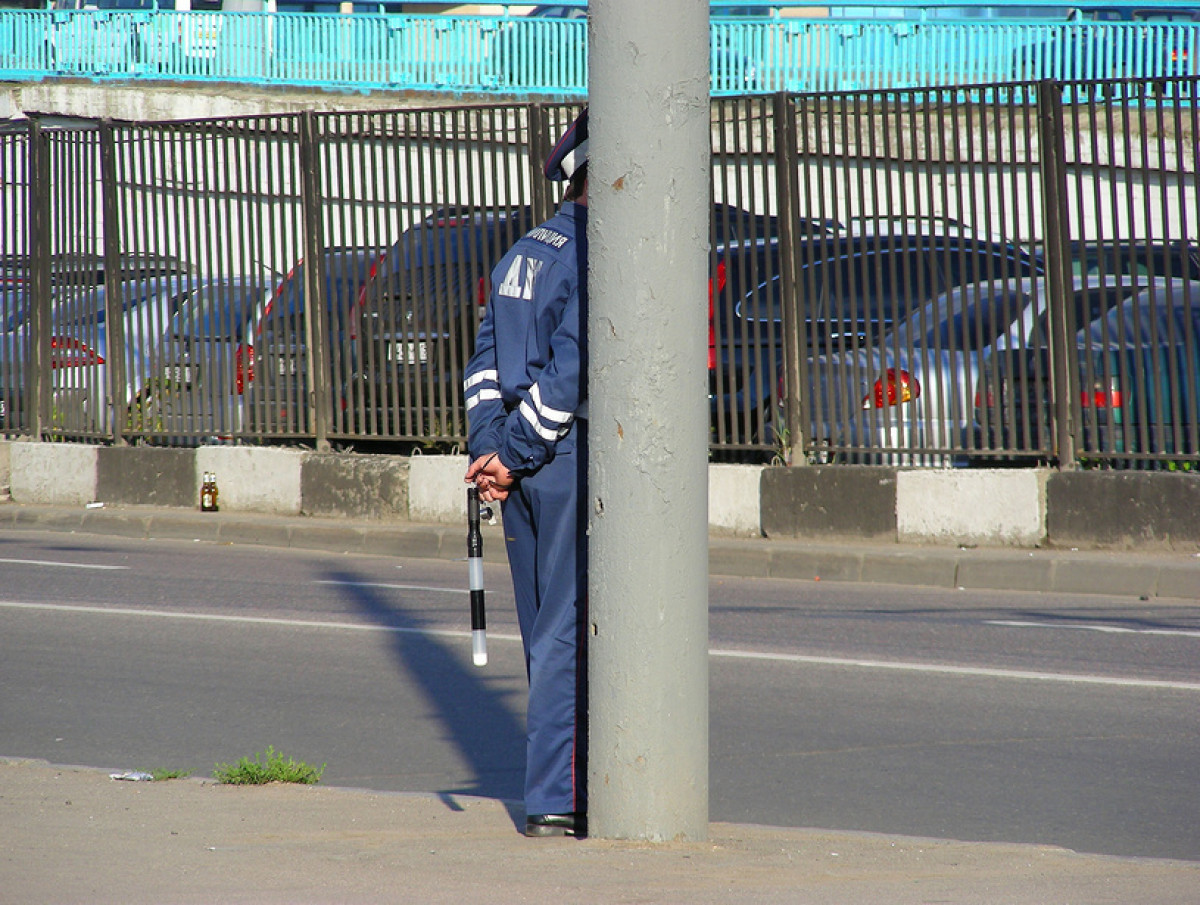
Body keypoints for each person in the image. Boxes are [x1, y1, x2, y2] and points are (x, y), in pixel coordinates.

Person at [463, 109, 589, 838]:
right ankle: (556, 797)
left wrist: (489, 447)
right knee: (566, 631)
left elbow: (484, 359)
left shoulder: (522, 251)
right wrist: (511, 452)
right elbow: (570, 369)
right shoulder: (588, 254)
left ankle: (555, 784)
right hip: (555, 459)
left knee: (544, 631)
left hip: (514, 471)